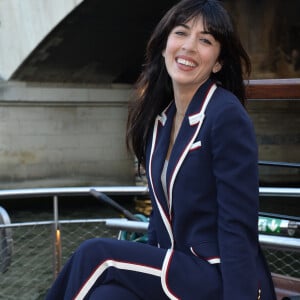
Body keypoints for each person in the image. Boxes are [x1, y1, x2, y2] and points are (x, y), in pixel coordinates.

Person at [46, 0, 276, 299]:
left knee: (98, 253)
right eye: (181, 33)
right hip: (174, 269)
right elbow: (160, 220)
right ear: (165, 44)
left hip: (216, 275)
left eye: (205, 40)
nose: (190, 47)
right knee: (106, 296)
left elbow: (238, 227)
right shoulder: (161, 120)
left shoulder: (225, 115)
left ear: (218, 61)